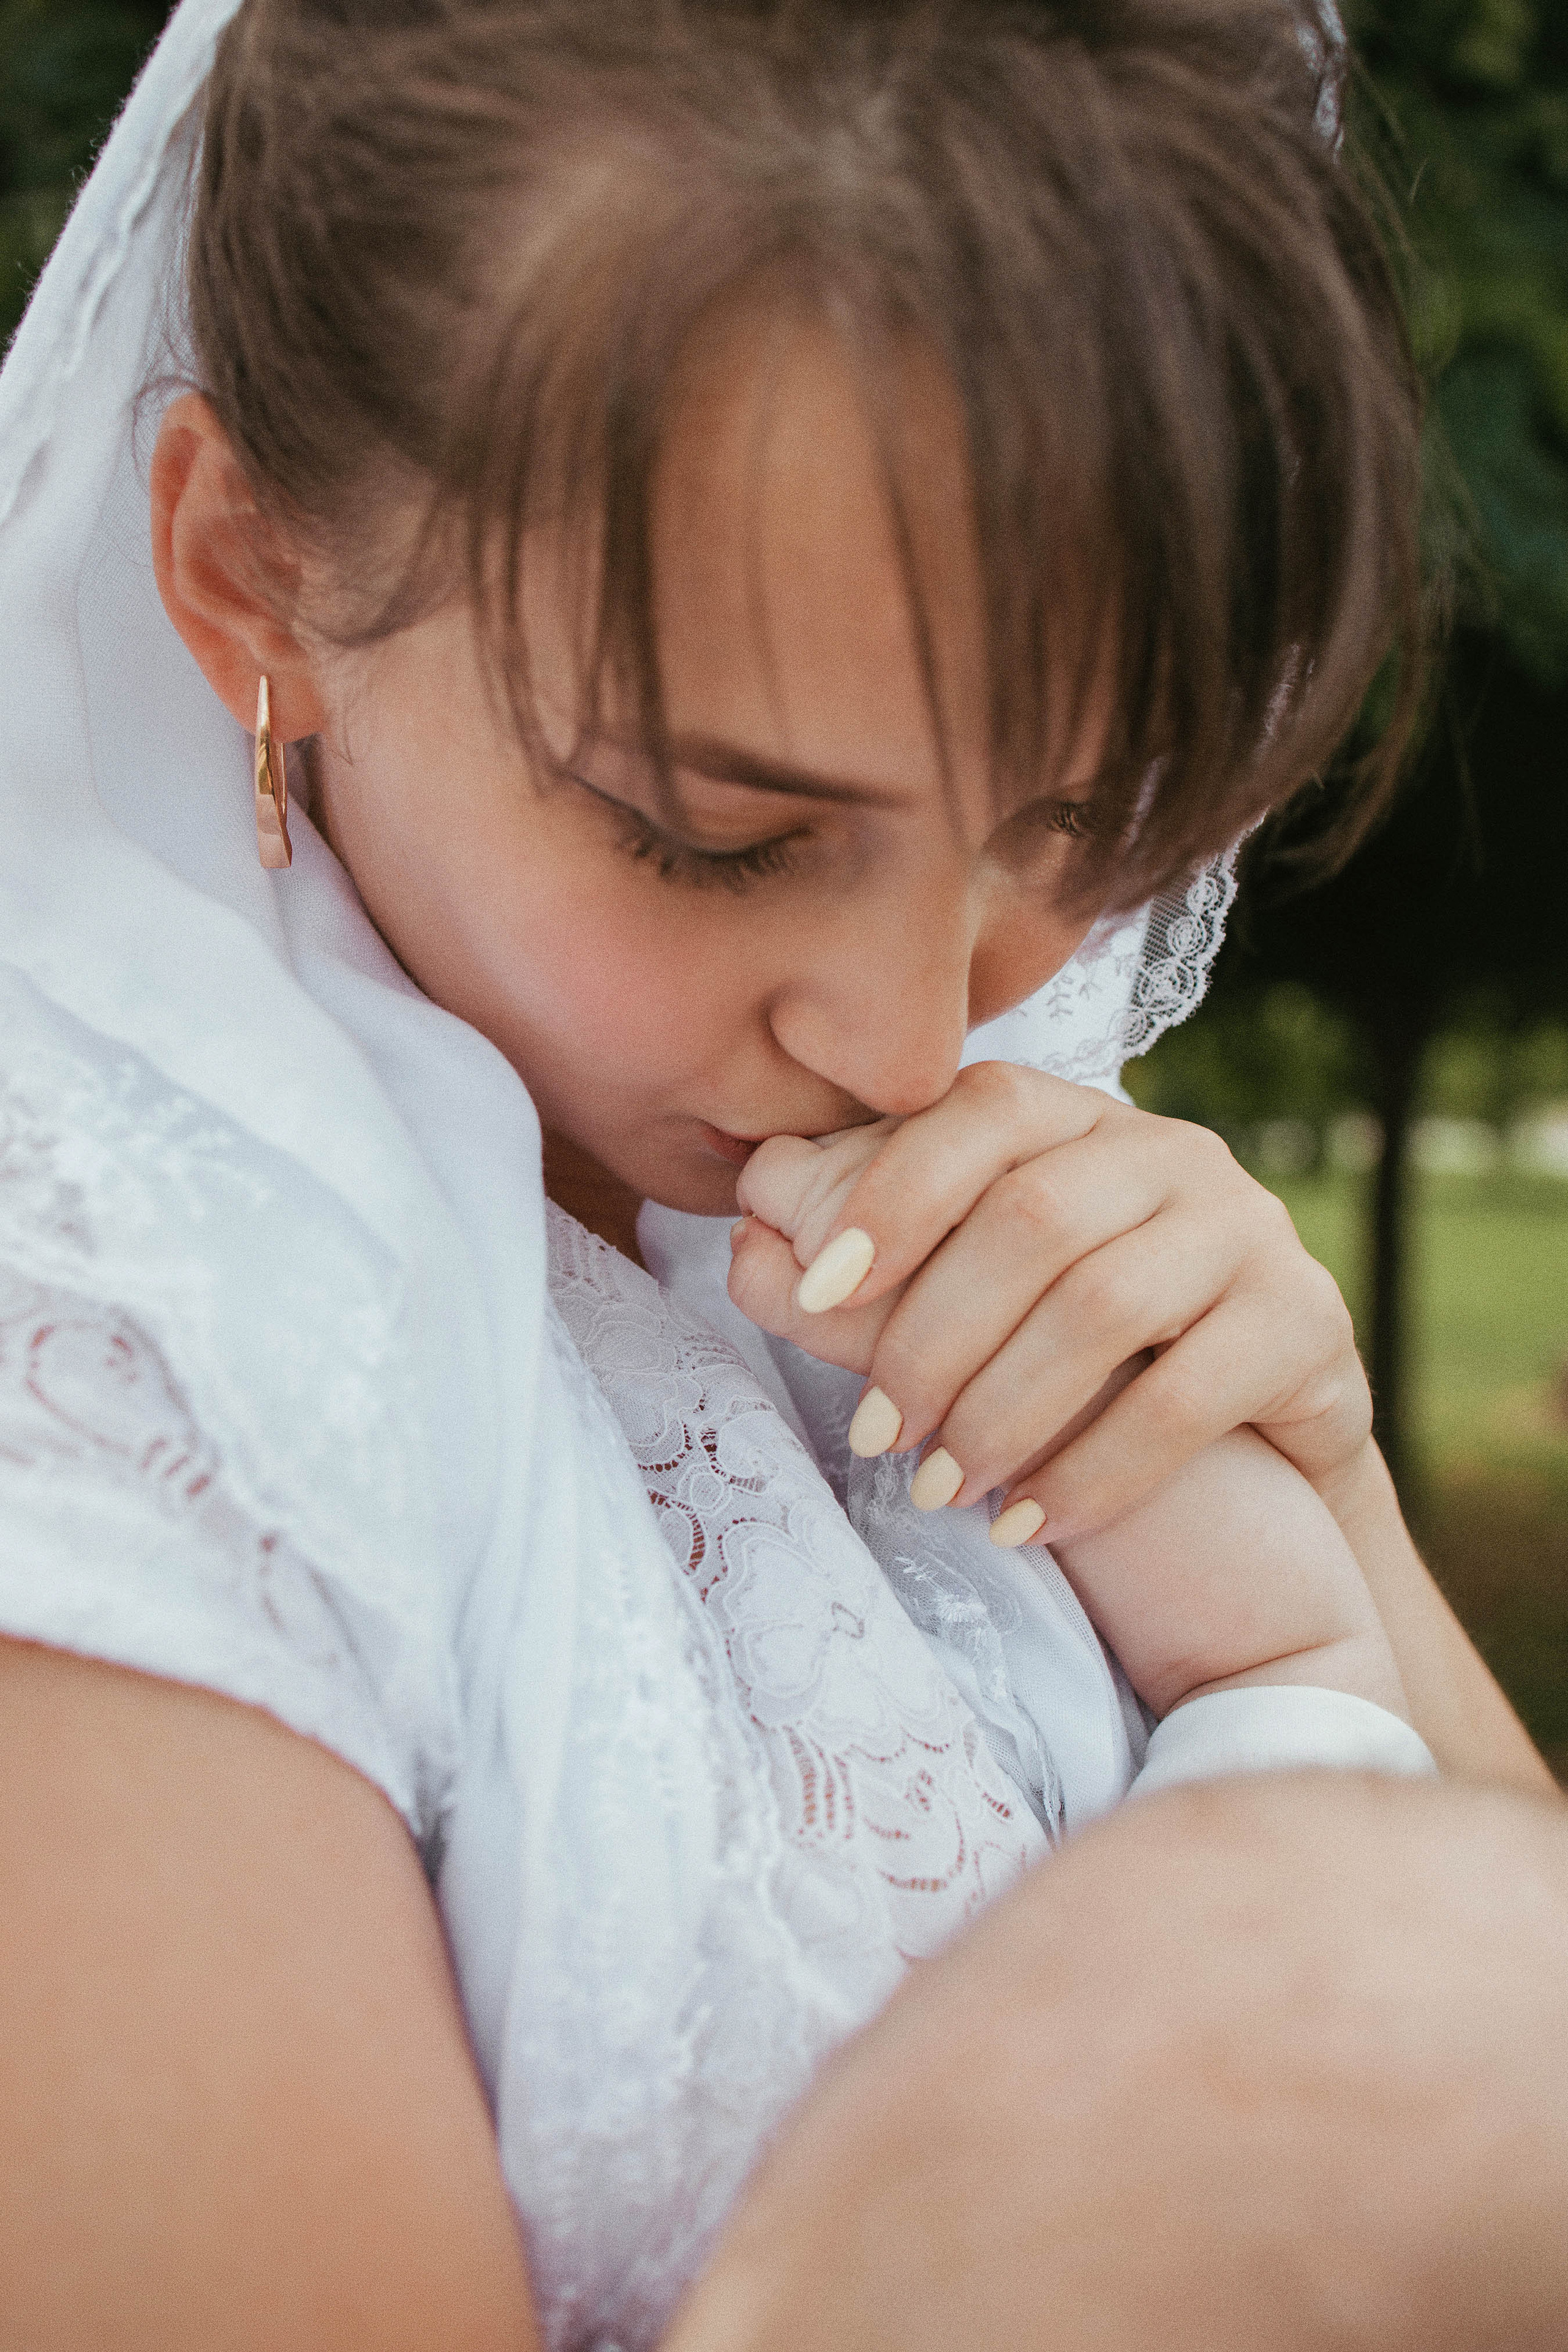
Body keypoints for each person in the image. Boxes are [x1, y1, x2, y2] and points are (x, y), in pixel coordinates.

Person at [0, 2, 1555, 2347]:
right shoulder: (107, 1404)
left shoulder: (981, 1196)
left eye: (1070, 822)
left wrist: (1329, 1517)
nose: (923, 1033)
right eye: (717, 838)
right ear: (251, 577)